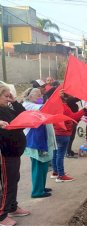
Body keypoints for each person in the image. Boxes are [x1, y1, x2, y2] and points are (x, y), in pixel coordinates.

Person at [0, 84, 30, 226]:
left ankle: (12, 207)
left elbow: (24, 116)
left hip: (15, 152)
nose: (8, 98)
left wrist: (14, 101)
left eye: (9, 96)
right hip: (6, 153)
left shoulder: (6, 108)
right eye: (5, 96)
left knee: (14, 180)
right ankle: (1, 215)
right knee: (8, 184)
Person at [22, 88, 55, 198]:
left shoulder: (33, 104)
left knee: (43, 165)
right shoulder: (27, 105)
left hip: (41, 140)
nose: (40, 97)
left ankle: (41, 187)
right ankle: (37, 191)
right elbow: (45, 108)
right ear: (30, 96)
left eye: (41, 95)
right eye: (37, 95)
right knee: (38, 166)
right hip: (34, 141)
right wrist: (55, 97)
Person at [52, 92, 87, 182]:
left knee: (56, 153)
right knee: (60, 155)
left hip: (55, 132)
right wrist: (85, 109)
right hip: (63, 132)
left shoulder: (55, 105)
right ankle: (61, 175)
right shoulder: (64, 107)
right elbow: (73, 117)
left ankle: (55, 172)